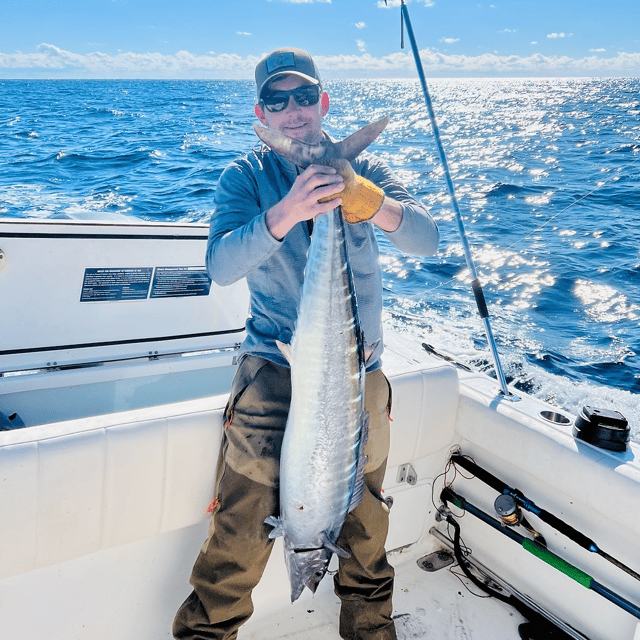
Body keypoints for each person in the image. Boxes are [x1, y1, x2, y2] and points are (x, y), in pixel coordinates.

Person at [173, 47, 439, 640]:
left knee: (367, 528)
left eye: (303, 96)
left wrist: (373, 204)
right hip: (272, 369)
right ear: (261, 112)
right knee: (241, 532)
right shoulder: (245, 177)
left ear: (323, 101)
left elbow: (427, 240)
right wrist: (289, 211)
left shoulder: (362, 176)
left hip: (356, 372)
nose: (292, 111)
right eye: (277, 99)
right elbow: (220, 265)